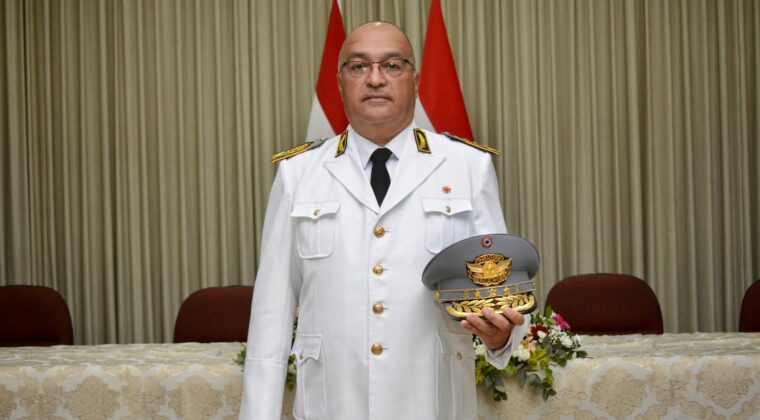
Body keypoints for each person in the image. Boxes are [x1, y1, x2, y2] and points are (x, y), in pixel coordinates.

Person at [239, 22, 526, 420]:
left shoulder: (467, 167)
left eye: (392, 65)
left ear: (415, 80)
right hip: (333, 404)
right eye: (359, 66)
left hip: (431, 403)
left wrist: (501, 337)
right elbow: (272, 311)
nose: (375, 79)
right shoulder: (298, 173)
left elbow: (498, 286)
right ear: (340, 82)